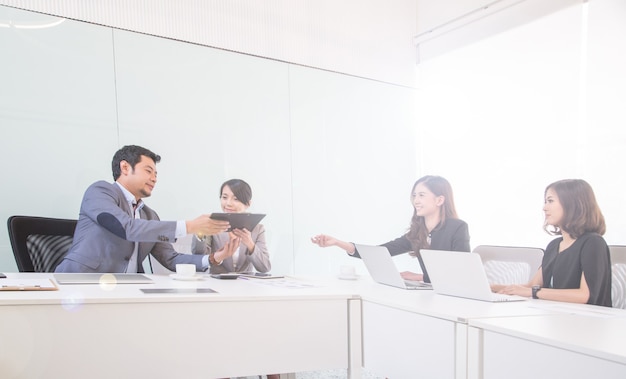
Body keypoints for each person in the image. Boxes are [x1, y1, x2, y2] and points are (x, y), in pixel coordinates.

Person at [55, 145, 236, 273]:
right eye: (148, 171)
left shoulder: (150, 215)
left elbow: (170, 259)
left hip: (128, 290)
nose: (154, 178)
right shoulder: (100, 192)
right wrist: (189, 226)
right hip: (81, 282)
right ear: (125, 167)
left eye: (156, 174)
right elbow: (126, 227)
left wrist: (215, 257)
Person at [311, 175, 470, 282]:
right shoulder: (418, 233)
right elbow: (379, 252)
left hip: (454, 300)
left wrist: (420, 277)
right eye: (414, 195)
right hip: (432, 296)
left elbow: (461, 275)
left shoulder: (457, 228)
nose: (416, 200)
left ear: (440, 200)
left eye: (422, 195)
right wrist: (338, 243)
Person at [493, 179, 612, 307]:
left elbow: (584, 295)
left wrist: (534, 292)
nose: (544, 208)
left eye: (550, 201)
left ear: (572, 204)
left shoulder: (593, 243)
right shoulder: (554, 245)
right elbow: (532, 286)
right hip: (559, 315)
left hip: (587, 321)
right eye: (545, 202)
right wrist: (491, 288)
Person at [192, 178, 271, 274]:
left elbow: (265, 267)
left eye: (236, 199)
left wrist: (250, 243)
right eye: (224, 197)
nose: (228, 203)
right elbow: (199, 258)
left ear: (248, 204)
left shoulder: (257, 229)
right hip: (216, 283)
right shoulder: (212, 224)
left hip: (245, 285)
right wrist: (200, 233)